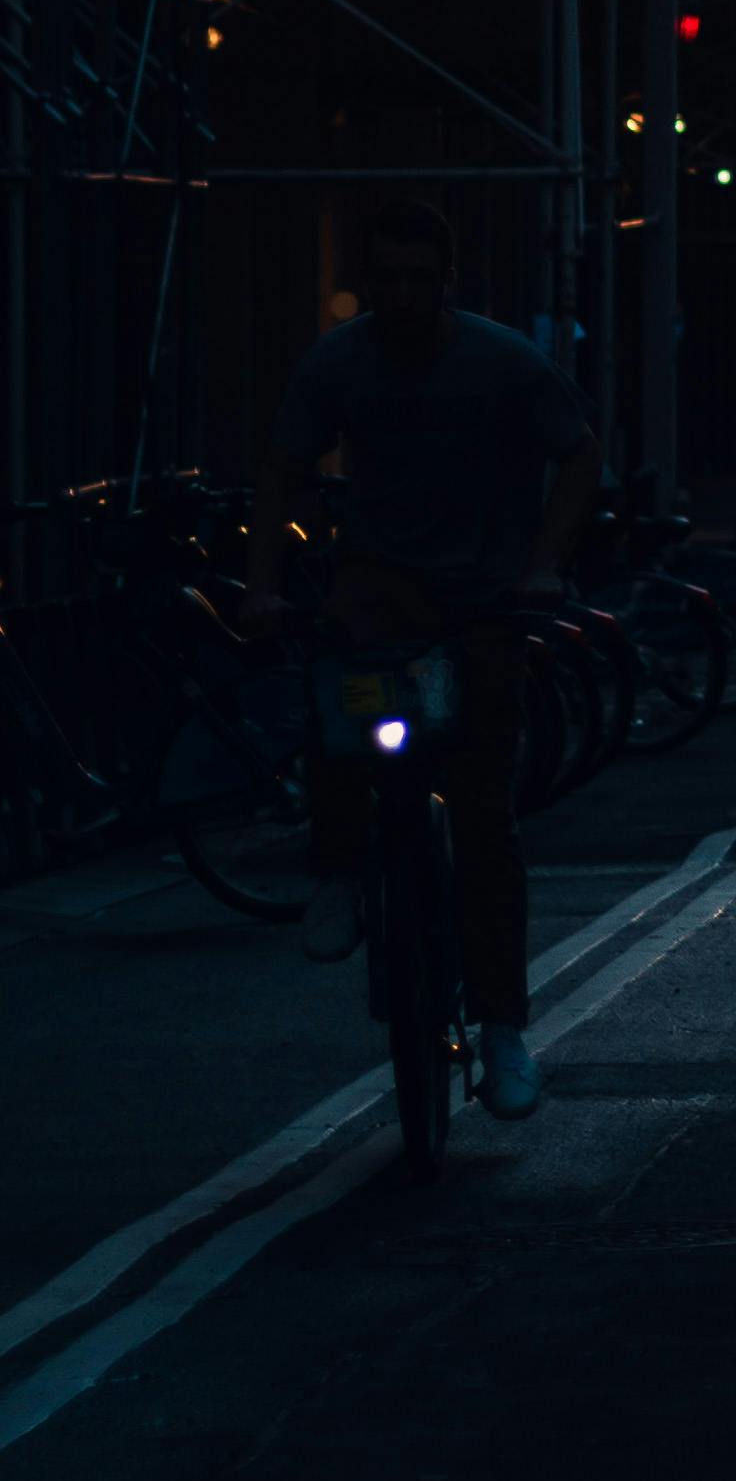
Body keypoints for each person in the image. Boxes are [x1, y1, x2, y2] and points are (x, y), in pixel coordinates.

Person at [249, 199, 599, 1123]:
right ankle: (337, 866)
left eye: (418, 277)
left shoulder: (501, 363)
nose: (402, 294)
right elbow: (282, 468)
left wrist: (543, 568)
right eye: (387, 277)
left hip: (484, 602)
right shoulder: (339, 361)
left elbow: (579, 454)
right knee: (332, 693)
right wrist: (262, 584)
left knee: (485, 821)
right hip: (380, 592)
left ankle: (503, 1027)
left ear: (446, 282)